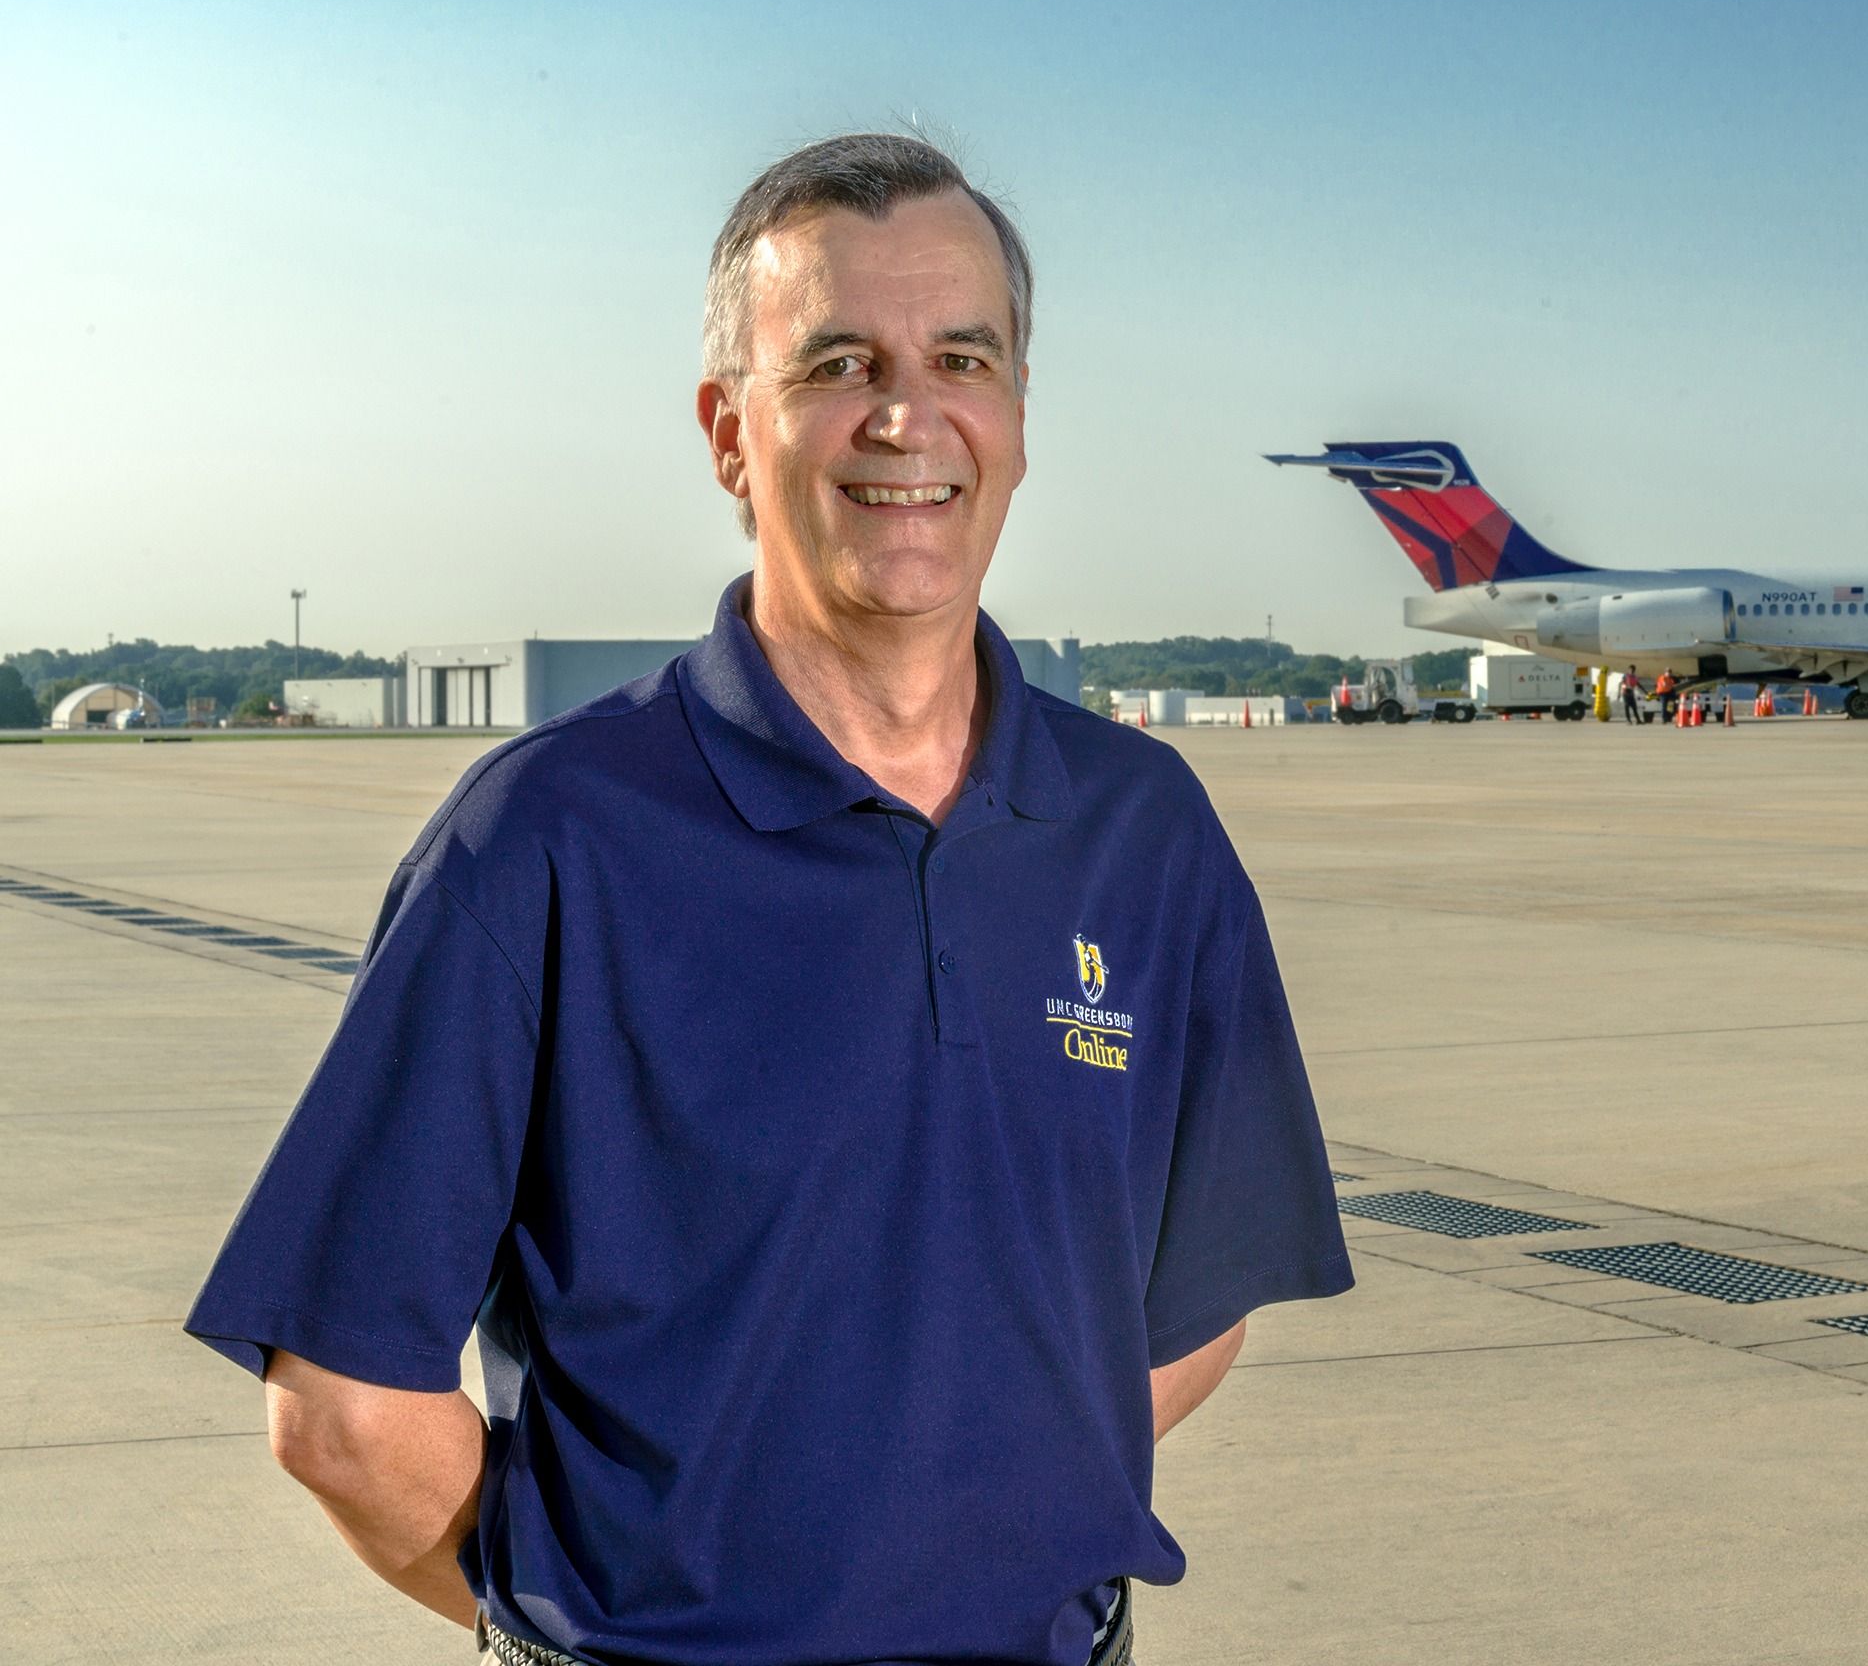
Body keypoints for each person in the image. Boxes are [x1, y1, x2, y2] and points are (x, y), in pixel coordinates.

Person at [186, 134, 1354, 1666]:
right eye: (835, 364)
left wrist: (963, 1507)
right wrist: (601, 1617)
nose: (904, 414)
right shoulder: (545, 839)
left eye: (960, 357)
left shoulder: (1144, 832)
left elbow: (1197, 1303)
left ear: (1012, 421)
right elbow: (341, 1407)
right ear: (729, 434)